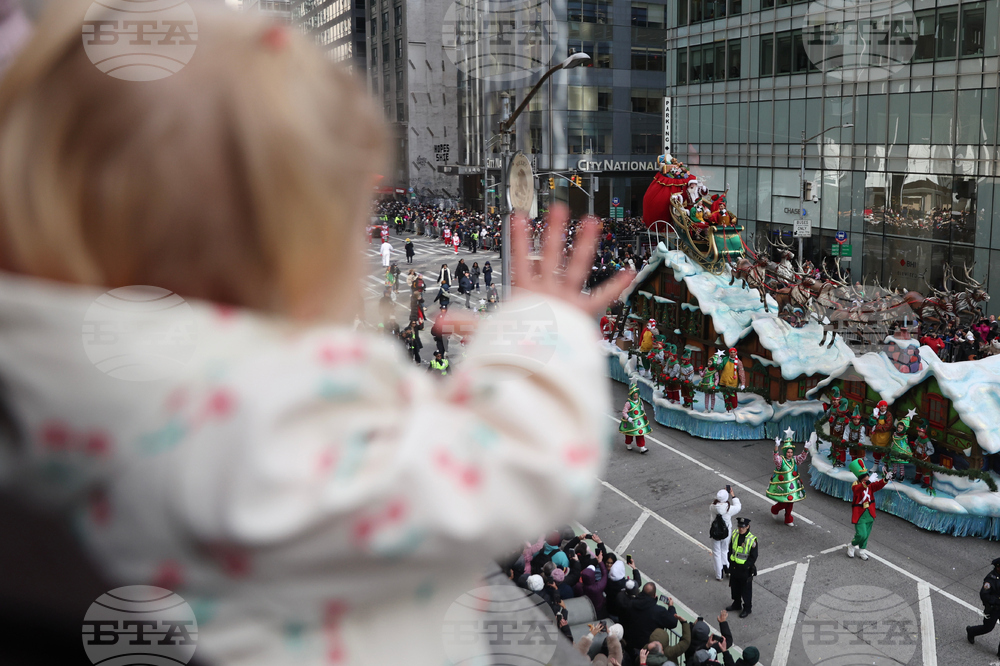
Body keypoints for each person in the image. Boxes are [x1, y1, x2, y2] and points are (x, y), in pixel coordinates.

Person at [0, 5, 639, 662]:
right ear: (292, 260)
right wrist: (539, 330)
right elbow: (519, 463)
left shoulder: (50, 387)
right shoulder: (263, 422)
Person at [847, 459, 893, 560]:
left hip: (869, 512)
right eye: (865, 480)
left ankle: (862, 551)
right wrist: (868, 482)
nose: (868, 481)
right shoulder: (856, 485)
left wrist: (886, 478)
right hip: (860, 513)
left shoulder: (870, 486)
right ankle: (852, 545)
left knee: (866, 534)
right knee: (861, 534)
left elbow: (878, 485)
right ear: (860, 480)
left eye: (868, 479)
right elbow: (857, 490)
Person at [617, 582, 678, 654]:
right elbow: (673, 622)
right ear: (654, 595)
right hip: (647, 648)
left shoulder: (630, 604)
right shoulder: (659, 611)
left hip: (630, 642)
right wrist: (671, 607)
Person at [767, 429, 809, 527]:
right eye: (788, 452)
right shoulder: (781, 461)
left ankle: (788, 518)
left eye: (791, 452)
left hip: (792, 486)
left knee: (790, 503)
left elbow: (802, 458)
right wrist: (776, 447)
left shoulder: (795, 460)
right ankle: (775, 509)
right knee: (784, 503)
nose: (790, 454)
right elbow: (775, 458)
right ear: (785, 452)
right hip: (782, 487)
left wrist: (806, 449)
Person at [966, 557, 1000, 657]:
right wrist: (996, 601)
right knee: (987, 628)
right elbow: (984, 595)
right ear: (998, 567)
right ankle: (971, 631)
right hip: (994, 608)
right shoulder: (991, 579)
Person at [727, 518, 757, 618]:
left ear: (747, 527)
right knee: (735, 588)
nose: (741, 529)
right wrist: (730, 560)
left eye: (743, 527)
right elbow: (731, 548)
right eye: (739, 526)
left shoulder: (751, 540)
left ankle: (747, 608)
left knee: (746, 590)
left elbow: (753, 556)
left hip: (745, 570)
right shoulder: (735, 534)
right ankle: (736, 604)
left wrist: (746, 566)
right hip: (734, 567)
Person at [710, 487, 741, 581]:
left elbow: (714, 502)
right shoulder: (729, 509)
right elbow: (738, 506)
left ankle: (719, 575)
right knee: (725, 550)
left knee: (716, 553)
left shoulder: (712, 506)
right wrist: (733, 495)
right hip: (726, 533)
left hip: (715, 532)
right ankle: (727, 569)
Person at [620, 383, 651, 453]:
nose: (636, 397)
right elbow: (624, 412)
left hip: (639, 421)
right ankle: (628, 443)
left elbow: (642, 408)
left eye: (637, 396)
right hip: (631, 421)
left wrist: (644, 414)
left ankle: (642, 447)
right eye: (634, 396)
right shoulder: (628, 403)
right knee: (629, 434)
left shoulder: (640, 401)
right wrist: (628, 418)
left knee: (640, 433)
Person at [717, 348, 746, 412]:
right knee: (726, 396)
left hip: (733, 383)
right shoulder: (725, 359)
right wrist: (718, 363)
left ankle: (734, 409)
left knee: (733, 397)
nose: (732, 354)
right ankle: (728, 410)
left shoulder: (738, 362)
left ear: (736, 353)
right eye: (731, 352)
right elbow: (720, 367)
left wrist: (743, 383)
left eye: (734, 352)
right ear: (729, 353)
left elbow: (741, 373)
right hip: (724, 381)